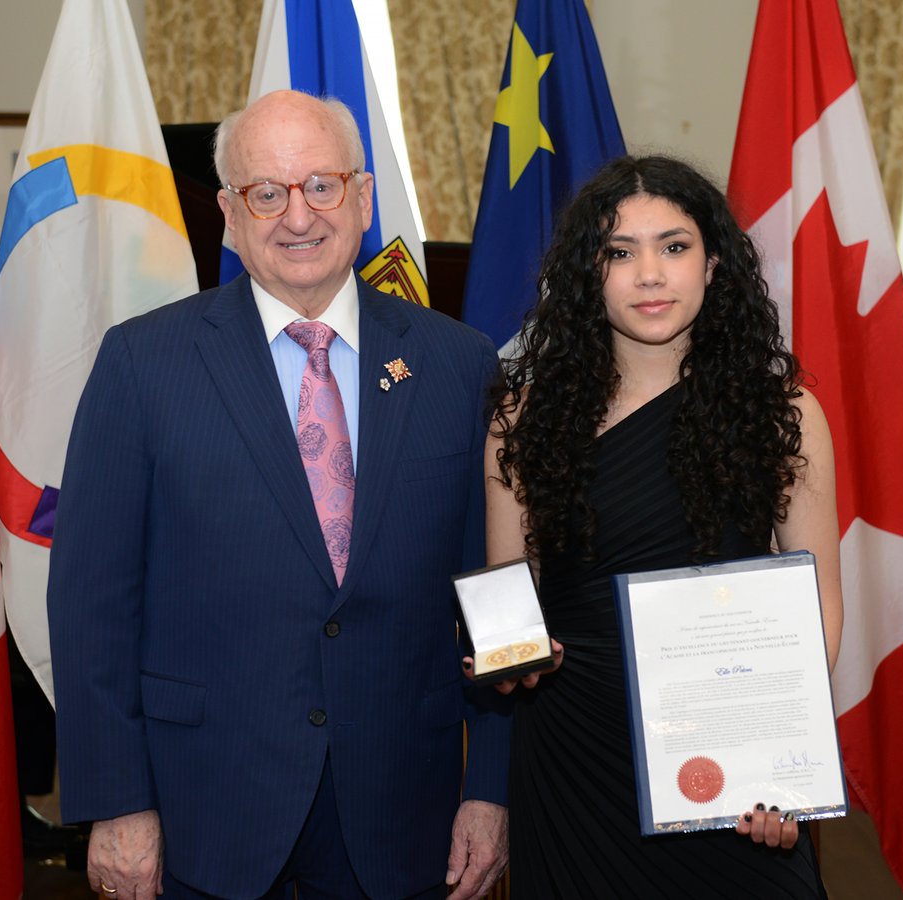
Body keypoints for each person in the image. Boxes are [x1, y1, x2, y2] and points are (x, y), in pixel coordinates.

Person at [47, 90, 509, 900]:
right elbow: (92, 608)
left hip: (406, 813)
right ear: (229, 212)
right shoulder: (142, 365)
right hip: (205, 812)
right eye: (267, 192)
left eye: (321, 186)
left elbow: (493, 591)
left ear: (363, 198)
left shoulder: (458, 364)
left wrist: (492, 785)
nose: (298, 216)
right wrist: (117, 802)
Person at [484, 154, 842, 896]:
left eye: (673, 246)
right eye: (620, 251)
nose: (650, 274)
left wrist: (775, 762)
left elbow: (821, 610)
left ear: (713, 263)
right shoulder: (524, 415)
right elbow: (505, 597)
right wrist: (498, 655)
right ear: (589, 273)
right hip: (572, 761)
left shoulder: (785, 414)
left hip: (729, 768)